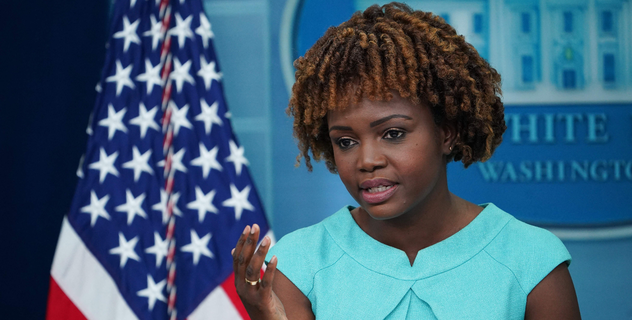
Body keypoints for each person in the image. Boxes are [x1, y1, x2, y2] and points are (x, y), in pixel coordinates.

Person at [231, 2, 581, 319]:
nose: (367, 160)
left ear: (447, 133)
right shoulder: (295, 264)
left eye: (393, 133)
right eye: (346, 141)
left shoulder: (531, 261)